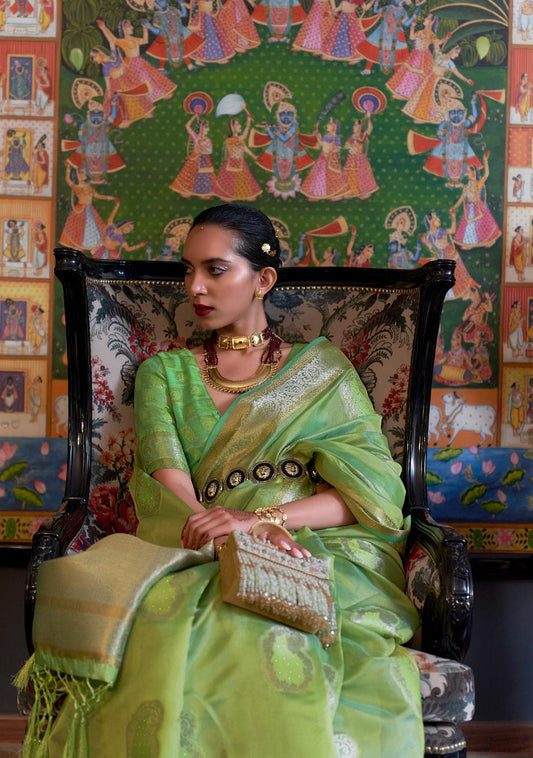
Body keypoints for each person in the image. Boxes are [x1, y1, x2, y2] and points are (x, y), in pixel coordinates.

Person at [19, 204, 423, 757]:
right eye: (188, 270)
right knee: (200, 625)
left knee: (280, 634)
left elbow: (370, 495)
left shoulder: (324, 370)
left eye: (215, 269)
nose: (195, 287)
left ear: (263, 280)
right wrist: (230, 535)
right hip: (198, 544)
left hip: (317, 547)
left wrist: (263, 522)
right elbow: (170, 486)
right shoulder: (165, 373)